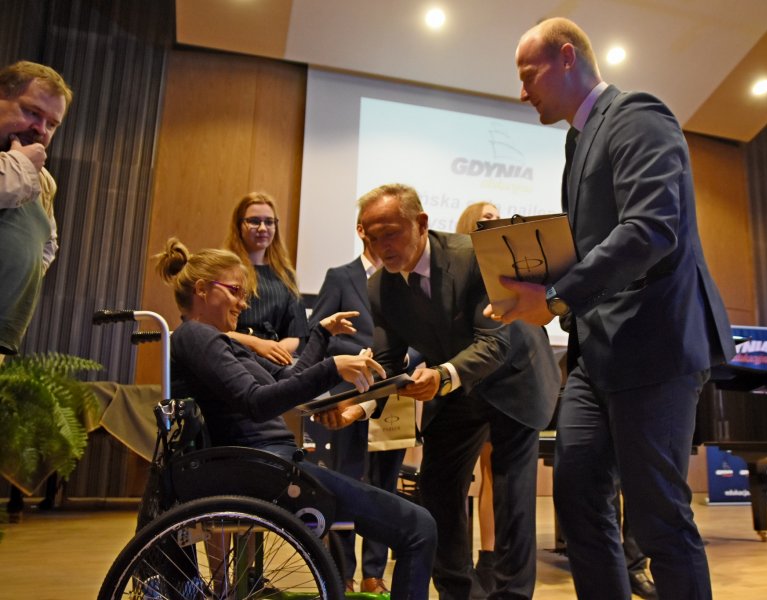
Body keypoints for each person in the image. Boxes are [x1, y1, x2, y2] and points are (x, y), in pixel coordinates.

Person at [486, 18, 735, 600]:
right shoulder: (578, 139)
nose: (523, 93)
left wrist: (553, 296)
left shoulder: (639, 115)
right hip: (597, 354)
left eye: (529, 76)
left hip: (655, 346)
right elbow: (593, 241)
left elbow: (650, 230)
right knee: (576, 504)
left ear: (567, 57)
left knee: (658, 519)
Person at [155, 238, 436, 599]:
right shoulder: (197, 336)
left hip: (269, 462)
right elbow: (257, 402)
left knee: (417, 525)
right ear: (202, 290)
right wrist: (333, 367)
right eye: (237, 291)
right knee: (419, 527)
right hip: (263, 465)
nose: (244, 303)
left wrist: (321, 336)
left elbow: (286, 381)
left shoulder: (218, 341)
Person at [359, 183, 560, 600]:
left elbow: (494, 343)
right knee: (436, 487)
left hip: (514, 377)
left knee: (511, 494)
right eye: (372, 236)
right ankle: (459, 593)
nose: (382, 246)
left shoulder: (472, 256)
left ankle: (511, 595)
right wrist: (358, 409)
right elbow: (390, 362)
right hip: (455, 386)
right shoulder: (381, 286)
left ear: (421, 223)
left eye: (392, 232)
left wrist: (442, 376)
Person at [308, 219, 407, 594]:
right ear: (362, 231)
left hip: (393, 395)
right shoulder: (340, 277)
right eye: (377, 231)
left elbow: (419, 339)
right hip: (345, 393)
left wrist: (400, 361)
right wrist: (359, 359)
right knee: (344, 484)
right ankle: (341, 572)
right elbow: (318, 336)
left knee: (384, 484)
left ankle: (373, 573)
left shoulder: (406, 277)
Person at [0, 61, 72, 522]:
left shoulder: (42, 179)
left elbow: (45, 244)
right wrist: (19, 165)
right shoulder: (24, 166)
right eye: (31, 112)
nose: (41, 129)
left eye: (52, 123)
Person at [454, 201, 501, 593]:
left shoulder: (505, 267)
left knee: (491, 474)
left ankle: (488, 560)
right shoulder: (459, 270)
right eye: (485, 219)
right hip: (461, 382)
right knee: (456, 479)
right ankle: (461, 562)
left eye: (497, 217)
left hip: (501, 384)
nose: (494, 223)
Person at [224, 191, 310, 366]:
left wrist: (275, 351)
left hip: (278, 358)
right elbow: (214, 331)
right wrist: (258, 345)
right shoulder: (223, 271)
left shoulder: (286, 275)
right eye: (255, 221)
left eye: (269, 222)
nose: (263, 228)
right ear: (239, 225)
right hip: (235, 357)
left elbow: (296, 335)